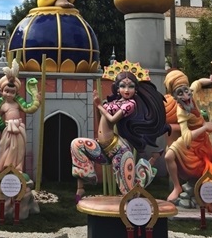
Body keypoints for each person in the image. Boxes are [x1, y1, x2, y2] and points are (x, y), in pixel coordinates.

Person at [71, 64, 169, 201]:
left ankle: (151, 162)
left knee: (129, 192)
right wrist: (98, 107)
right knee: (76, 144)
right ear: (117, 88)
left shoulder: (130, 104)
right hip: (102, 146)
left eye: (131, 86)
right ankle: (83, 184)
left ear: (135, 89)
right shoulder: (112, 103)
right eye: (123, 86)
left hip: (118, 149)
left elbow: (112, 119)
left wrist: (99, 105)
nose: (127, 90)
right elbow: (101, 119)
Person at [164, 69, 212, 203]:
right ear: (174, 97)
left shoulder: (191, 92)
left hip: (202, 140)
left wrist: (211, 80)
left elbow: (198, 82)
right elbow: (187, 136)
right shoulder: (181, 111)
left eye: (186, 90)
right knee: (168, 156)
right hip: (191, 138)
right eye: (179, 93)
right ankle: (177, 187)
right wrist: (205, 127)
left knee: (205, 167)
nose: (185, 96)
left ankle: (203, 191)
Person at [0, 59, 40, 173]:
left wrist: (36, 99)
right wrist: (0, 123)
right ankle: (3, 168)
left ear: (16, 93)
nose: (9, 94)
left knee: (19, 149)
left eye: (12, 92)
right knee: (5, 148)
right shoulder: (2, 105)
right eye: (6, 91)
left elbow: (29, 108)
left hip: (19, 128)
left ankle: (17, 168)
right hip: (8, 130)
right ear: (1, 91)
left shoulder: (17, 103)